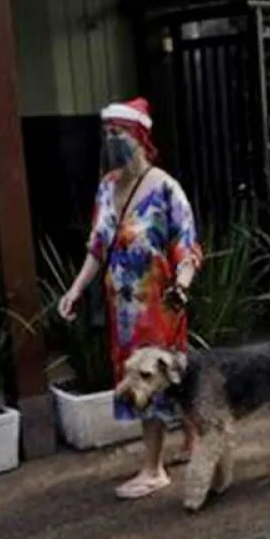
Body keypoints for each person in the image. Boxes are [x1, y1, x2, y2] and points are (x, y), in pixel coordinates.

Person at [57, 97, 203, 500]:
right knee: (156, 378)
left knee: (152, 380)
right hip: (121, 309)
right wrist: (75, 289)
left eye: (118, 133)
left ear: (139, 136)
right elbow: (97, 247)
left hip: (159, 305)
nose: (111, 140)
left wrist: (183, 285)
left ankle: (154, 469)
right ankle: (193, 442)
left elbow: (188, 247)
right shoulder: (106, 187)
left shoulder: (166, 189)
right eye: (107, 134)